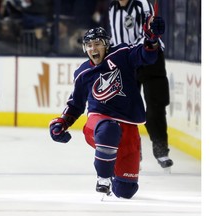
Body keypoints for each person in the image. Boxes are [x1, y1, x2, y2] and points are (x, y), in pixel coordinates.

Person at [49, 15, 165, 198]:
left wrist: (152, 39)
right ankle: (103, 178)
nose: (93, 48)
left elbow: (146, 56)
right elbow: (75, 104)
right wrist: (61, 122)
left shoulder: (122, 54)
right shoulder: (83, 73)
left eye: (97, 44)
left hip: (128, 127)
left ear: (106, 45)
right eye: (89, 45)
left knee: (126, 191)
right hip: (99, 121)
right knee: (108, 129)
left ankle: (112, 170)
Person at [108, 0, 173, 169]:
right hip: (126, 62)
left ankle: (161, 149)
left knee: (155, 104)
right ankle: (134, 150)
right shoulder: (112, 7)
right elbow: (116, 38)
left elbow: (151, 27)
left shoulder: (141, 3)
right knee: (126, 109)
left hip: (149, 58)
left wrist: (152, 31)